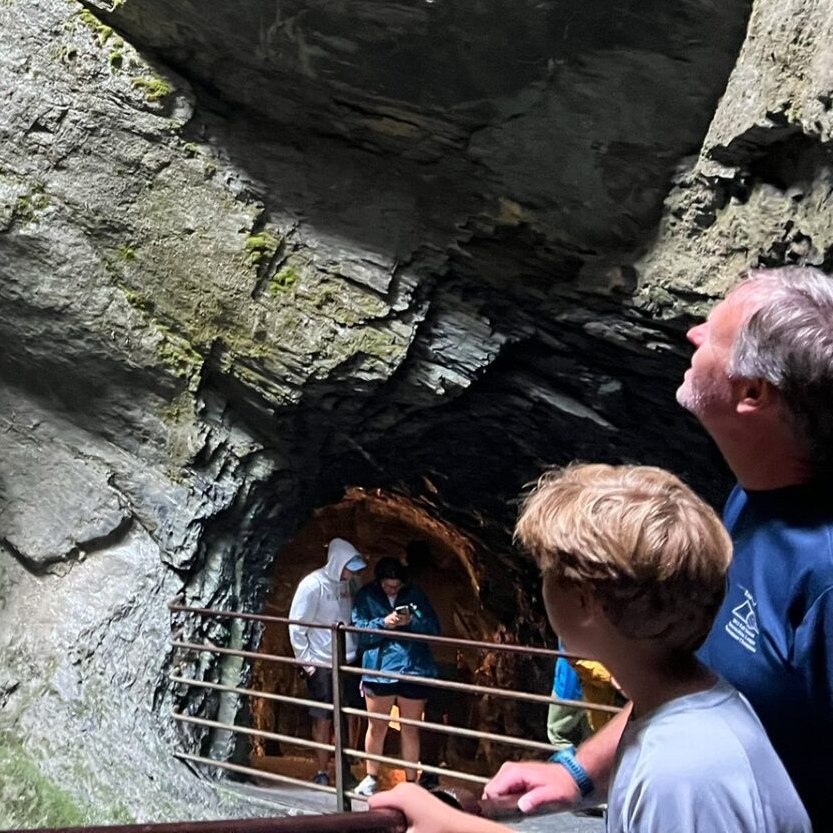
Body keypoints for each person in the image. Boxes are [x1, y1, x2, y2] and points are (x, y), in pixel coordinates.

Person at [483, 268, 833, 829]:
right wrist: (578, 772)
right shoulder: (753, 498)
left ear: (752, 394)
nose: (693, 333)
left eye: (715, 335)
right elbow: (673, 675)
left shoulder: (825, 577)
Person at [373, 464, 809, 833]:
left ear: (585, 603)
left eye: (547, 570)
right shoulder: (685, 706)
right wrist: (575, 773)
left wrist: (455, 825)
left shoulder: (682, 771)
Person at [349, 555, 441, 798]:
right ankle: (371, 777)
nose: (392, 589)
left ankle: (412, 782)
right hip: (379, 670)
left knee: (410, 727)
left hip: (413, 667)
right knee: (376, 726)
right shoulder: (366, 596)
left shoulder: (416, 595)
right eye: (388, 585)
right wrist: (383, 623)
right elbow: (360, 632)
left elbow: (433, 628)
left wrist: (412, 621)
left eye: (396, 586)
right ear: (379, 581)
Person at [286, 537, 366, 785]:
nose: (351, 575)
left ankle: (345, 768)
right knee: (324, 717)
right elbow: (297, 626)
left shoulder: (350, 585)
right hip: (322, 663)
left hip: (348, 660)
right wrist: (307, 664)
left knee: (350, 714)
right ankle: (322, 770)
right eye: (348, 569)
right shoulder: (312, 586)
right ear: (336, 563)